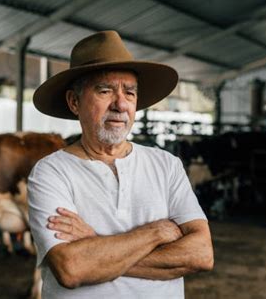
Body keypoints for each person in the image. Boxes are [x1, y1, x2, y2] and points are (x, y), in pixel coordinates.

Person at [28, 30, 213, 299]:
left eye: (130, 92)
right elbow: (71, 268)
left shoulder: (166, 165)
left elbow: (201, 254)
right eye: (105, 90)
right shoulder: (51, 172)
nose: (120, 104)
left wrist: (96, 247)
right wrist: (157, 231)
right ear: (74, 101)